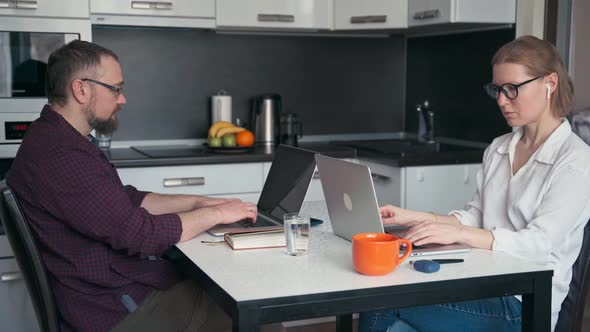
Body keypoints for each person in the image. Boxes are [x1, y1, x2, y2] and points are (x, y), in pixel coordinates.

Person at [6, 40, 258, 332]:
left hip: (107, 296)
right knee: (242, 309)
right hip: (114, 310)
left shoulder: (55, 138)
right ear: (81, 89)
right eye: (115, 88)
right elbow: (141, 234)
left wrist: (199, 203)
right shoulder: (63, 155)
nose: (122, 99)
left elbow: (123, 201)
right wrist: (215, 216)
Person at [359, 35, 590, 332]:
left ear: (550, 83)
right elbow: (475, 216)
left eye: (512, 89)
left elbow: (540, 244)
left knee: (382, 302)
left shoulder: (576, 160)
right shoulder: (499, 147)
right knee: (389, 307)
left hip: (523, 303)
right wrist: (417, 217)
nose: (502, 100)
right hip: (482, 280)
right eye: (497, 90)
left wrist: (465, 234)